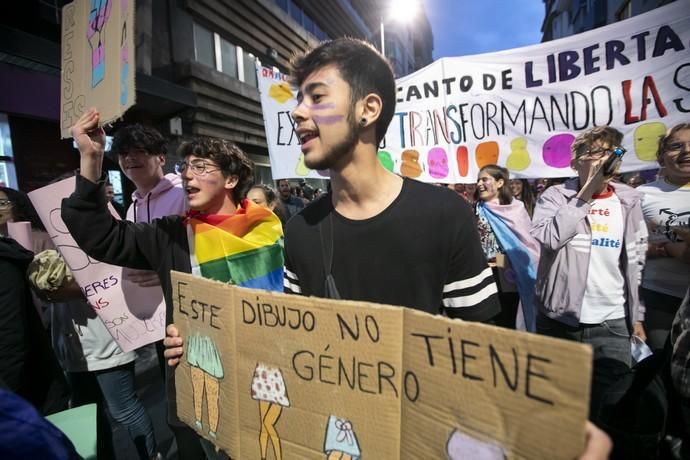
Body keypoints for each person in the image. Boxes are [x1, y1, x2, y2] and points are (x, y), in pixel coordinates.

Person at [62, 107, 283, 460]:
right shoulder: (171, 235)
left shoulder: (272, 231)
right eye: (185, 168)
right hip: (198, 383)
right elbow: (101, 237)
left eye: (201, 167)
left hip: (264, 381)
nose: (188, 176)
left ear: (230, 179)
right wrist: (91, 157)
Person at [281, 37, 499, 320]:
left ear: (368, 109)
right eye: (299, 100)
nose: (297, 112)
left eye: (317, 97)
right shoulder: (300, 231)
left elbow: (478, 350)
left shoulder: (446, 215)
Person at [531, 125, 647, 425]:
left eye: (610, 152)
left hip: (612, 323)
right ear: (574, 163)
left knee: (610, 411)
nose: (604, 159)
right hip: (560, 322)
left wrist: (637, 316)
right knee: (558, 411)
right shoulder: (555, 196)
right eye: (595, 152)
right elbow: (549, 238)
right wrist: (584, 196)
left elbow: (635, 262)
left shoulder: (629, 199)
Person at [111, 123, 187, 374]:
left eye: (139, 151)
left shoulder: (183, 194)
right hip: (153, 313)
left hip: (184, 307)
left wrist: (163, 272)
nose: (129, 158)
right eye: (123, 153)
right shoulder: (132, 206)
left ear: (161, 157)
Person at [636, 122, 690, 351]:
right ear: (661, 157)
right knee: (662, 368)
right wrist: (663, 249)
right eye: (677, 146)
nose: (686, 151)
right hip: (659, 298)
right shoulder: (642, 195)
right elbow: (626, 248)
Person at [474, 165, 540, 331]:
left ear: (500, 183)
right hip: (481, 278)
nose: (479, 184)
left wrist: (496, 261)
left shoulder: (515, 209)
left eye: (485, 179)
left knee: (507, 323)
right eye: (478, 180)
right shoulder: (474, 209)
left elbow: (526, 246)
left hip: (509, 278)